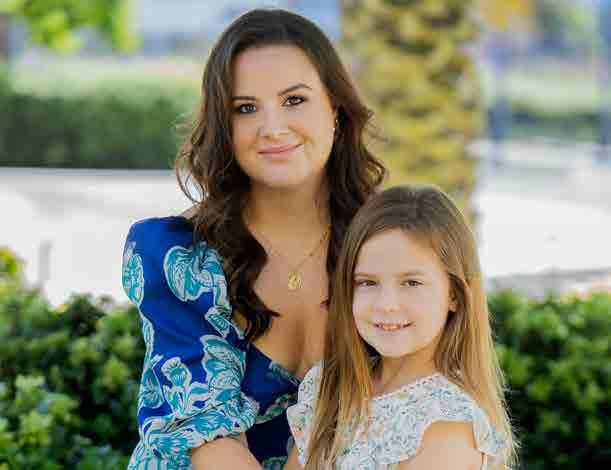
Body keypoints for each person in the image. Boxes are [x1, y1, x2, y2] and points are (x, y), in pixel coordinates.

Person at [121, 8, 386, 470]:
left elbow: (438, 395)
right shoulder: (178, 256)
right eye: (245, 108)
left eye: (294, 100)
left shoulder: (392, 247)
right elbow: (211, 440)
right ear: (224, 127)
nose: (273, 128)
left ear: (336, 109)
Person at [285, 185, 516, 470]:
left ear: (454, 295)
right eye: (368, 282)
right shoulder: (330, 385)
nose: (387, 305)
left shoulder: (445, 424)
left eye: (411, 283)